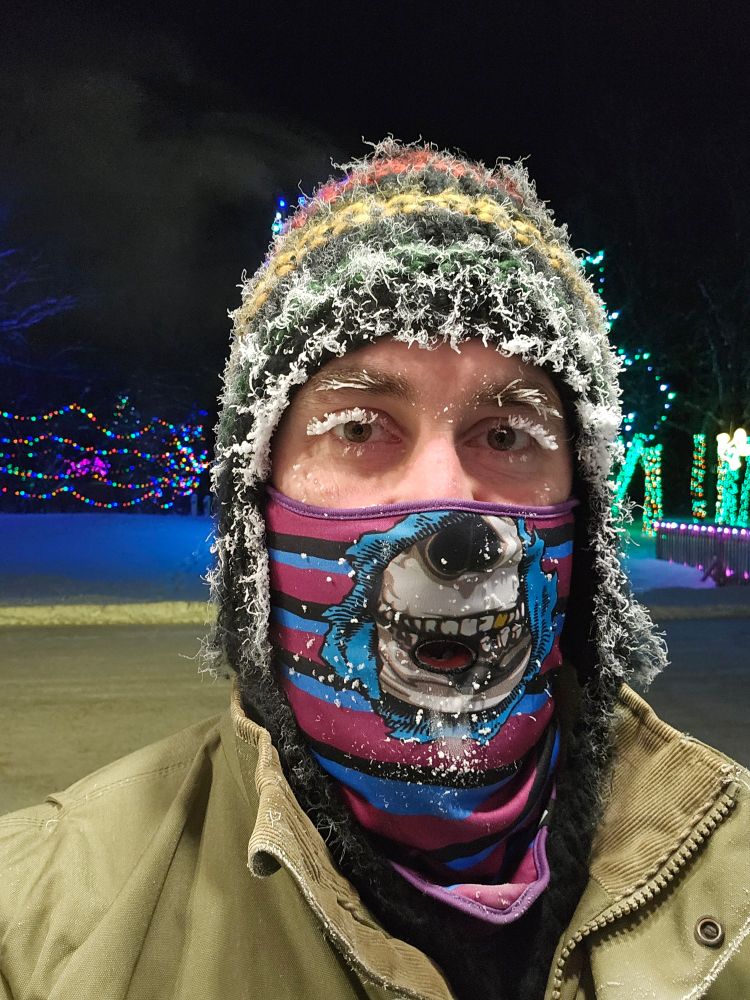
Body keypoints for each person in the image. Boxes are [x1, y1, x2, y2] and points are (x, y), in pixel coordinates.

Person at [1, 140, 748, 1000]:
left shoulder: (735, 886)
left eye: (507, 435)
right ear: (255, 504)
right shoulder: (48, 928)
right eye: (359, 426)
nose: (449, 506)